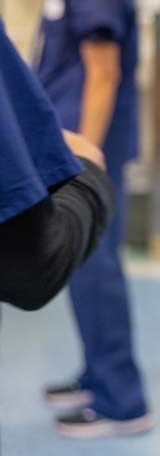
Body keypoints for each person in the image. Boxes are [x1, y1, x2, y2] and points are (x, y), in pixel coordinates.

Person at [33, 0, 151, 438]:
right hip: (71, 141)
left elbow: (101, 74)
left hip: (87, 146)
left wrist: (87, 160)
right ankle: (96, 373)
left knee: (95, 263)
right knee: (82, 262)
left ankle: (122, 401)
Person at [0, 18, 115, 310]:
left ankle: (109, 358)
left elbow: (104, 71)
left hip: (49, 159)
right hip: (56, 165)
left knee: (100, 275)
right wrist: (87, 173)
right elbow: (30, 263)